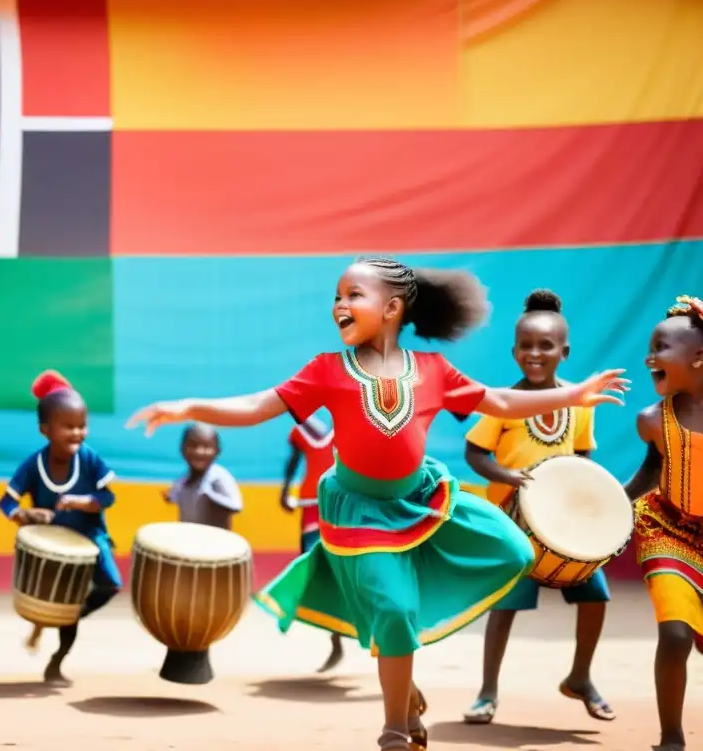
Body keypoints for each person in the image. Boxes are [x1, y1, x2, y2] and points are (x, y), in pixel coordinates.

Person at [126, 257, 629, 750]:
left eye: (353, 295)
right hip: (359, 510)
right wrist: (189, 407)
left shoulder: (432, 370)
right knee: (391, 608)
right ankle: (395, 728)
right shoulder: (327, 370)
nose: (339, 305)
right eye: (337, 297)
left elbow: (499, 401)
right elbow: (260, 406)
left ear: (392, 309)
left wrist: (573, 396)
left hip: (421, 502)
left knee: (514, 552)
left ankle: (401, 673)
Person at [462, 289, 613, 725]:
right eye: (525, 346)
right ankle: (487, 691)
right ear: (513, 351)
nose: (534, 353)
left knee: (595, 595)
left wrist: (581, 496)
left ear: (564, 352)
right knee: (504, 608)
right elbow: (475, 454)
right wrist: (508, 478)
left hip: (563, 524)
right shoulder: (504, 402)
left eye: (545, 345)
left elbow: (583, 456)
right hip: (513, 523)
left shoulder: (579, 401)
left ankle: (580, 677)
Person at [0, 370, 121, 686]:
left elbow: (108, 496)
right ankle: (56, 663)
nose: (78, 433)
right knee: (58, 601)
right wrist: (24, 514)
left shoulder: (89, 458)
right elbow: (5, 504)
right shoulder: (33, 464)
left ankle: (66, 616)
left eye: (82, 426)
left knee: (111, 585)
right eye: (69, 427)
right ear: (45, 430)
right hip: (51, 546)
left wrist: (82, 502)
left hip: (89, 538)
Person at [624, 294, 703, 751]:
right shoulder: (653, 420)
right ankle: (671, 737)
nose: (650, 357)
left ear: (699, 358)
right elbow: (650, 472)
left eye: (662, 347)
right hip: (667, 528)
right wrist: (603, 508)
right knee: (674, 634)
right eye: (650, 347)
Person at [280, 415, 343, 673]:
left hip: (338, 503)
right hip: (309, 503)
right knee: (312, 563)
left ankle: (345, 630)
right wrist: (285, 490)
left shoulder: (344, 426)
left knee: (343, 565)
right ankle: (335, 636)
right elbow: (293, 463)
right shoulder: (300, 433)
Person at [165, 422, 243, 530]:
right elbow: (173, 496)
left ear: (217, 450)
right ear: (182, 449)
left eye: (207, 447)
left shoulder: (218, 477)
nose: (199, 452)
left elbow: (236, 506)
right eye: (192, 446)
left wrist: (211, 497)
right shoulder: (184, 479)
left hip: (216, 540)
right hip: (189, 538)